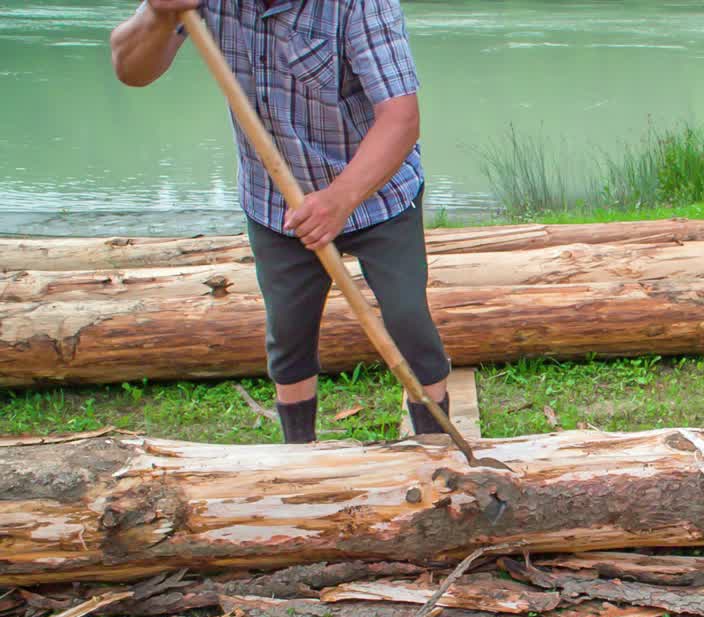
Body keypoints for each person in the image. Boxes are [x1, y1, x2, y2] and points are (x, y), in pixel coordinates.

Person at [109, 0, 452, 444]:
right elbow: (130, 70)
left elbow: (401, 119)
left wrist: (339, 198)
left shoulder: (360, 5)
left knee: (408, 319)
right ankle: (297, 458)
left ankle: (436, 447)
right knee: (288, 332)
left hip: (376, 192)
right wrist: (158, 15)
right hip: (275, 199)